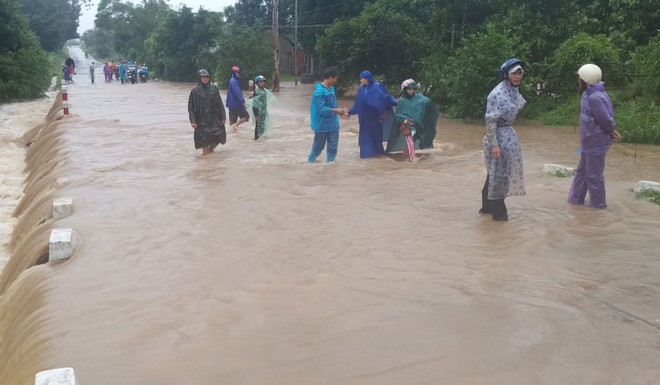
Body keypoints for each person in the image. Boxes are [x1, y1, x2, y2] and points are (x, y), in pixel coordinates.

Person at [479, 58, 527, 221]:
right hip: (497, 138)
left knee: (495, 173)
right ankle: (499, 215)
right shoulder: (498, 94)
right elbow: (490, 121)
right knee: (499, 176)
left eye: (520, 73)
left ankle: (486, 207)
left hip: (507, 136)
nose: (517, 76)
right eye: (514, 73)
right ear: (506, 74)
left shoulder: (512, 91)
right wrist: (494, 145)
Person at [568, 64, 620, 209]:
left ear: (585, 80)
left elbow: (605, 119)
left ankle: (598, 205)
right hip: (587, 141)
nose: (578, 81)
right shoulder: (587, 94)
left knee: (594, 175)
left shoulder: (596, 97)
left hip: (596, 142)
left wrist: (611, 130)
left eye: (580, 79)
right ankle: (575, 199)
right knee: (582, 172)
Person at [385, 79, 439, 163]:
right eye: (409, 89)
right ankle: (413, 158)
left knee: (411, 141)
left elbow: (425, 103)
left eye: (412, 89)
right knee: (410, 141)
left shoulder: (419, 98)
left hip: (416, 125)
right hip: (406, 125)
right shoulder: (402, 101)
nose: (411, 91)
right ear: (404, 89)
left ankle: (404, 154)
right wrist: (407, 121)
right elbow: (398, 115)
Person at [347, 70, 398, 158]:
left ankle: (377, 155)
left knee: (376, 138)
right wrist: (350, 112)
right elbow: (358, 103)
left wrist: (395, 102)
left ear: (366, 79)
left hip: (375, 119)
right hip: (364, 120)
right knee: (365, 139)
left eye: (361, 78)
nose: (360, 80)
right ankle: (367, 157)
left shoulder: (378, 87)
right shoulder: (361, 88)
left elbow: (386, 97)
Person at [308, 67, 347, 163]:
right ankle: (311, 161)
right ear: (330, 77)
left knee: (333, 146)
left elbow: (333, 104)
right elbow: (322, 109)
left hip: (333, 123)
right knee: (318, 146)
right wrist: (336, 111)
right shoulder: (319, 92)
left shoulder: (332, 89)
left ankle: (330, 165)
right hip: (322, 124)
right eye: (335, 78)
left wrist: (341, 112)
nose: (336, 80)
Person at [188, 69, 227, 156]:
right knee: (203, 141)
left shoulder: (214, 89)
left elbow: (220, 103)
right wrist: (193, 121)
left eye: (207, 77)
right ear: (200, 78)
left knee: (219, 137)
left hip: (214, 119)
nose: (206, 79)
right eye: (204, 77)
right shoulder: (195, 91)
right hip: (201, 121)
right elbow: (191, 108)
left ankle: (210, 151)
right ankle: (205, 161)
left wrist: (223, 116)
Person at [247, 75, 277, 140]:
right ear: (257, 83)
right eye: (261, 82)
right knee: (258, 127)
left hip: (263, 112)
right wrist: (256, 115)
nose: (262, 83)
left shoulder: (263, 90)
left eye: (263, 82)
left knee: (262, 127)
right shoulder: (257, 91)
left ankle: (261, 141)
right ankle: (257, 140)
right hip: (259, 113)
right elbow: (255, 104)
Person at [226, 66, 249, 133]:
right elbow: (237, 93)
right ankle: (236, 125)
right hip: (237, 104)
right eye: (237, 72)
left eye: (239, 72)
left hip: (231, 104)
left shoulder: (234, 80)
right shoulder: (233, 81)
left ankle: (233, 137)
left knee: (232, 123)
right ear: (233, 73)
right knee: (246, 117)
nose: (238, 73)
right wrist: (243, 102)